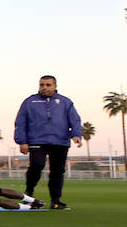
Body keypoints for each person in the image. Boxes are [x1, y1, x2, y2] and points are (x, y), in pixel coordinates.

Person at [13, 75, 84, 210]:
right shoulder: (29, 102)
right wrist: (22, 141)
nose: (44, 87)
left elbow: (75, 120)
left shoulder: (65, 102)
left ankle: (56, 201)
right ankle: (29, 193)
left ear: (55, 86)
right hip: (37, 140)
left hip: (60, 141)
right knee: (37, 165)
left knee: (57, 171)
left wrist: (76, 135)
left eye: (48, 85)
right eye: (42, 85)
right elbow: (21, 122)